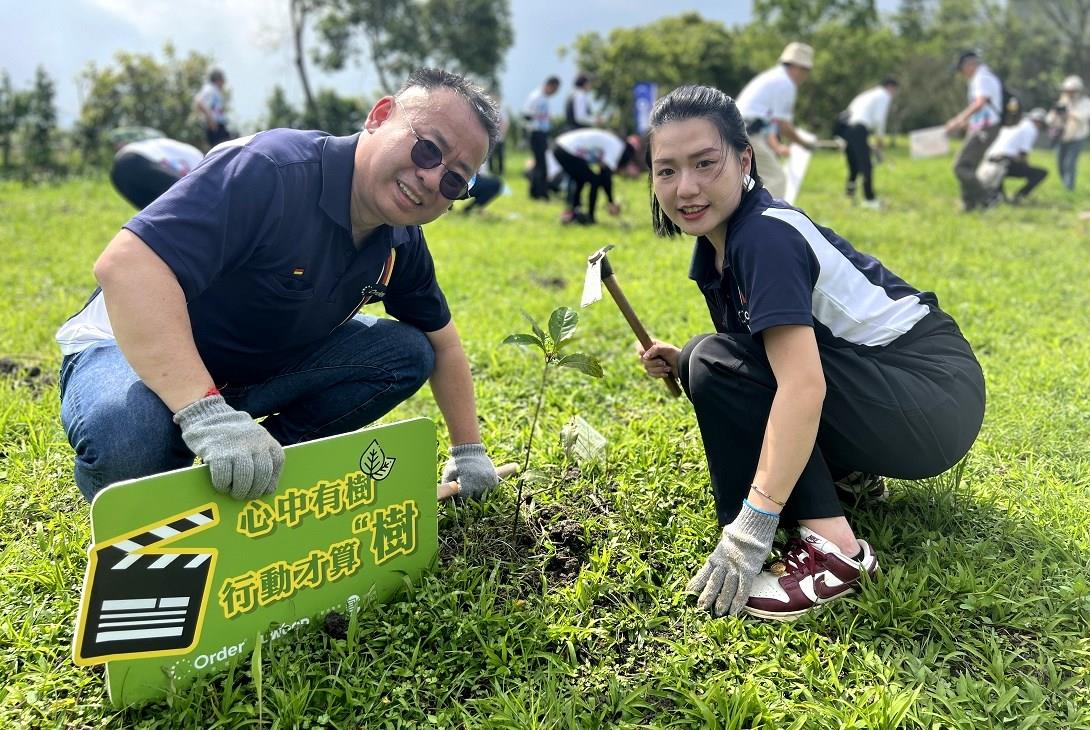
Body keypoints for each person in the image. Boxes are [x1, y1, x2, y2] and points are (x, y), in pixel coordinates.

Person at [56, 68, 503, 504]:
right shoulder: (273, 169)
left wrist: (469, 451)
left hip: (247, 368)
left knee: (408, 351)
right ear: (380, 115)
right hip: (129, 347)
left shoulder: (399, 239)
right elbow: (128, 267)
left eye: (453, 180)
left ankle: (267, 464)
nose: (432, 178)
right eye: (427, 149)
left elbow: (443, 343)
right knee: (130, 440)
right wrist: (206, 413)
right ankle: (195, 444)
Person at [638, 85, 985, 621]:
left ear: (745, 159)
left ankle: (836, 551)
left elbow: (801, 385)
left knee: (712, 361)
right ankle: (848, 476)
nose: (686, 187)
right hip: (909, 393)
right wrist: (682, 358)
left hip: (933, 398)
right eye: (667, 170)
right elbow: (759, 356)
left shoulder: (763, 238)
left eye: (705, 163)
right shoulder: (721, 244)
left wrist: (751, 528)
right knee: (701, 356)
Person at [735, 42, 815, 200]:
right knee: (776, 179)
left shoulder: (773, 78)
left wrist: (776, 147)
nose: (805, 76)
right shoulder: (786, 84)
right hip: (746, 133)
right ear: (797, 67)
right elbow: (784, 127)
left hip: (738, 131)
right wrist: (805, 144)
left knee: (749, 181)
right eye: (806, 71)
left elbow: (769, 123)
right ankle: (766, 215)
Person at [945, 50, 1003, 211]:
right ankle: (969, 204)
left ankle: (987, 198)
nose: (961, 74)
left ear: (969, 65)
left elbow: (980, 103)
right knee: (968, 166)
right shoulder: (983, 77)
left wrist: (958, 119)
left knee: (960, 167)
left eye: (961, 69)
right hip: (982, 127)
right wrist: (967, 123)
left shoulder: (982, 77)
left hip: (986, 128)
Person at [551, 128, 638, 224]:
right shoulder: (618, 148)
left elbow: (603, 174)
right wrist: (611, 202)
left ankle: (574, 212)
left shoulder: (616, 144)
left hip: (560, 146)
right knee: (594, 180)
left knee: (582, 179)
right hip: (566, 149)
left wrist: (610, 200)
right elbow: (606, 176)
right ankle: (589, 217)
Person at [836, 78, 899, 209]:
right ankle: (869, 200)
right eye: (895, 90)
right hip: (859, 129)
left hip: (846, 128)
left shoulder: (867, 95)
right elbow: (879, 119)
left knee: (854, 164)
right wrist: (880, 139)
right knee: (867, 166)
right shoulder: (884, 96)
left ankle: (849, 194)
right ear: (890, 87)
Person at [976, 108, 1048, 205]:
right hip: (1003, 162)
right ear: (1039, 122)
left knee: (998, 193)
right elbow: (1023, 154)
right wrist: (1026, 167)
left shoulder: (1015, 123)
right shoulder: (1031, 129)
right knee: (1040, 173)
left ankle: (1000, 196)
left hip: (989, 159)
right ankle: (1019, 196)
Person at [110, 136, 204, 209]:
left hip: (118, 172)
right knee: (194, 198)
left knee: (162, 216)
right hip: (136, 159)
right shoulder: (201, 159)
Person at [1046, 75, 1090, 191]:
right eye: (1067, 91)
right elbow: (1049, 119)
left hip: (1077, 137)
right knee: (1060, 164)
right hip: (1062, 137)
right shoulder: (1062, 102)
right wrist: (1056, 114)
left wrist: (1069, 113)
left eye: (1072, 91)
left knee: (1069, 164)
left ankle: (1069, 188)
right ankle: (1065, 186)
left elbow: (1084, 117)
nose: (1069, 93)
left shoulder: (1085, 102)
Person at [523, 76, 560, 199]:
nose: (554, 93)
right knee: (541, 164)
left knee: (540, 164)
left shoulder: (543, 97)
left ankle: (535, 192)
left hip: (542, 133)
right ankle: (541, 193)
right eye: (554, 89)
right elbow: (526, 114)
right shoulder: (536, 97)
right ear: (550, 85)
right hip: (536, 133)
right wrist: (538, 116)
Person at [193, 68, 231, 149]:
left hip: (218, 127)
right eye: (222, 79)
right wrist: (211, 120)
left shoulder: (213, 89)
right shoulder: (210, 89)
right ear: (218, 80)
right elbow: (199, 101)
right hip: (216, 128)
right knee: (223, 150)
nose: (224, 82)